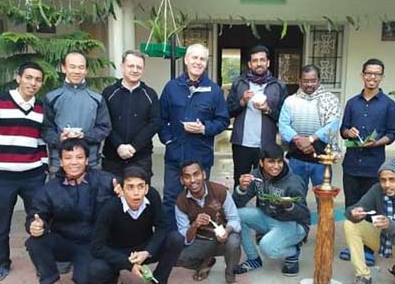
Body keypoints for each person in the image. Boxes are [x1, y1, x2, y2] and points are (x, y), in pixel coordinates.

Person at [24, 138, 116, 284]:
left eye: (79, 157)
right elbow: (36, 214)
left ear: (87, 160)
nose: (74, 162)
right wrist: (35, 225)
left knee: (88, 280)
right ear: (61, 161)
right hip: (65, 241)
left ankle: (110, 278)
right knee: (34, 242)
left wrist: (122, 191)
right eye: (68, 158)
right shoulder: (50, 189)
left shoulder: (105, 180)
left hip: (93, 244)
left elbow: (130, 189)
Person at [0, 62, 48, 282]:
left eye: (38, 80)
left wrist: (44, 166)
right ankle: (2, 262)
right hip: (3, 176)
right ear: (18, 77)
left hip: (33, 175)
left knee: (37, 220)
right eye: (28, 77)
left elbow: (41, 141)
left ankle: (41, 262)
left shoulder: (40, 108)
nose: (33, 83)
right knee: (2, 222)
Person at [90, 166, 184, 284]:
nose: (136, 193)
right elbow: (96, 246)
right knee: (96, 269)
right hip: (118, 251)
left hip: (144, 247)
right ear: (121, 189)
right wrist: (128, 264)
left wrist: (148, 251)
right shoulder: (110, 207)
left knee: (176, 239)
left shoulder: (152, 196)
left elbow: (162, 226)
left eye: (140, 187)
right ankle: (115, 282)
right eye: (130, 187)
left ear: (146, 188)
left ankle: (156, 283)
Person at [159, 43, 230, 223]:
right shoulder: (171, 87)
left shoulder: (214, 91)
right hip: (175, 155)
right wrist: (168, 141)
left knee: (199, 199)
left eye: (202, 59)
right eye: (194, 57)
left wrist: (204, 128)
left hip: (201, 156)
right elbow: (160, 118)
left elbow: (223, 121)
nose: (198, 62)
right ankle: (171, 235)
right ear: (186, 60)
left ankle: (196, 234)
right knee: (171, 199)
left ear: (206, 63)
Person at [339, 58, 395, 266]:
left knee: (372, 207)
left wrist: (377, 142)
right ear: (362, 75)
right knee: (352, 206)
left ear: (381, 77)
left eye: (376, 73)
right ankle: (353, 244)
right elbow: (343, 130)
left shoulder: (389, 105)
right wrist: (348, 132)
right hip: (352, 164)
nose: (372, 77)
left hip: (374, 166)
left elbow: (392, 133)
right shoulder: (352, 103)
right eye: (368, 73)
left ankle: (369, 248)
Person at [233, 144, 309, 276]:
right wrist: (241, 189)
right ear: (261, 163)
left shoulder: (293, 182)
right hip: (268, 217)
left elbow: (304, 215)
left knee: (267, 248)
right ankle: (253, 259)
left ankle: (293, 252)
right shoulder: (255, 176)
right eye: (271, 161)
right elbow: (236, 204)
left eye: (280, 161)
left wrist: (289, 206)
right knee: (236, 216)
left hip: (293, 225)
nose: (276, 166)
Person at [175, 161, 241, 284]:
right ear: (182, 180)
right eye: (187, 177)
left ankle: (230, 278)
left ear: (204, 175)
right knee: (177, 258)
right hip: (203, 240)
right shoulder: (181, 202)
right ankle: (206, 262)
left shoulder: (219, 191)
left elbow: (235, 219)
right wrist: (195, 225)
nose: (193, 180)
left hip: (223, 237)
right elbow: (184, 237)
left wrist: (227, 231)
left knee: (234, 242)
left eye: (196, 174)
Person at [227, 45, 287, 187]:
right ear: (249, 64)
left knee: (265, 184)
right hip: (242, 144)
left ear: (268, 62)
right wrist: (242, 102)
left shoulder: (278, 85)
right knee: (241, 182)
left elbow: (285, 117)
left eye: (262, 60)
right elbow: (227, 111)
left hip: (266, 145)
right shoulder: (239, 83)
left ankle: (263, 203)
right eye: (255, 60)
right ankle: (240, 202)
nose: (259, 63)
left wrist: (268, 109)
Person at [279, 64, 341, 196]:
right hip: (296, 157)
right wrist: (298, 140)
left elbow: (333, 124)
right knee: (295, 197)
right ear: (300, 81)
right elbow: (283, 125)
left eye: (313, 80)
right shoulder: (290, 101)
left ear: (319, 80)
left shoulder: (330, 100)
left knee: (323, 198)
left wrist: (311, 140)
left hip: (321, 158)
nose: (309, 84)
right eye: (305, 81)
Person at [42, 51, 111, 171]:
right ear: (64, 68)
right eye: (72, 67)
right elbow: (46, 129)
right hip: (59, 163)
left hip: (90, 162)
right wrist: (59, 138)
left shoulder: (97, 98)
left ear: (86, 70)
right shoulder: (51, 97)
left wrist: (85, 136)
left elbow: (104, 128)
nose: (77, 71)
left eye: (81, 67)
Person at [102, 50, 160, 181]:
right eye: (131, 66)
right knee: (111, 193)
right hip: (112, 159)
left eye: (139, 67)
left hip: (141, 159)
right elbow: (104, 122)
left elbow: (154, 124)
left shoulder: (150, 94)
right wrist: (119, 146)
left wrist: (134, 147)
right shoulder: (109, 93)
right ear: (122, 66)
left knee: (141, 193)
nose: (135, 70)